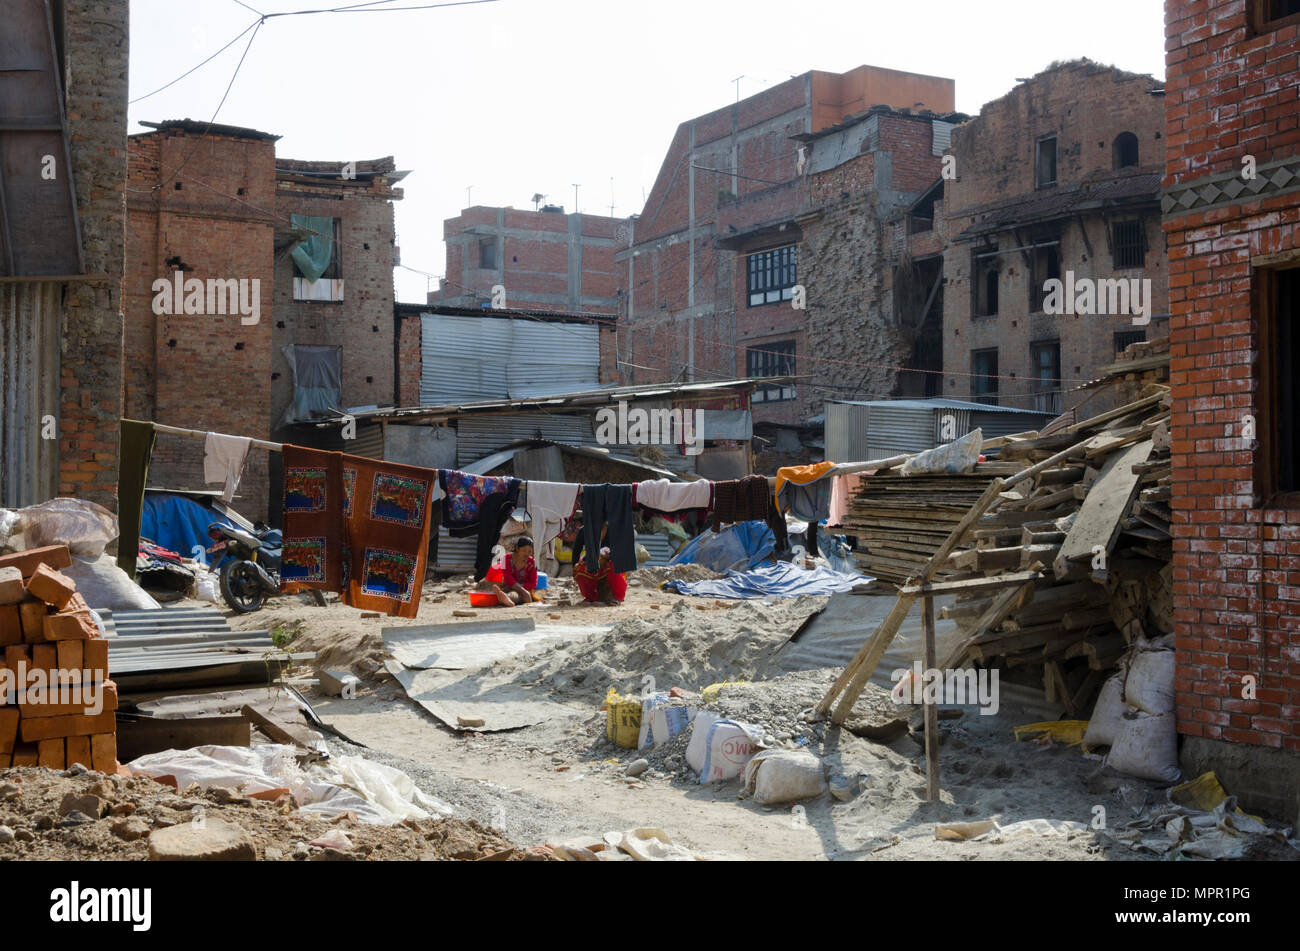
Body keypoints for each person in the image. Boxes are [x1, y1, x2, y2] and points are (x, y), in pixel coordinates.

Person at [572, 524, 627, 605]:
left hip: (609, 562)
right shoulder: (583, 531)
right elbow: (576, 551)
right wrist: (574, 569)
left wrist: (610, 556)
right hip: (592, 561)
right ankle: (590, 598)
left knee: (615, 564)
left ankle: (617, 598)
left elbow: (621, 550)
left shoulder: (614, 530)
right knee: (580, 568)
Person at [491, 536, 538, 606]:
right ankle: (505, 598)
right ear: (517, 548)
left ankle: (505, 599)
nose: (527, 554)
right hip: (509, 586)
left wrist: (522, 589)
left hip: (525, 588)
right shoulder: (505, 558)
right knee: (514, 593)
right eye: (524, 550)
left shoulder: (532, 562)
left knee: (522, 596)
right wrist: (522, 590)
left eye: (530, 551)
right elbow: (508, 578)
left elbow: (533, 583)